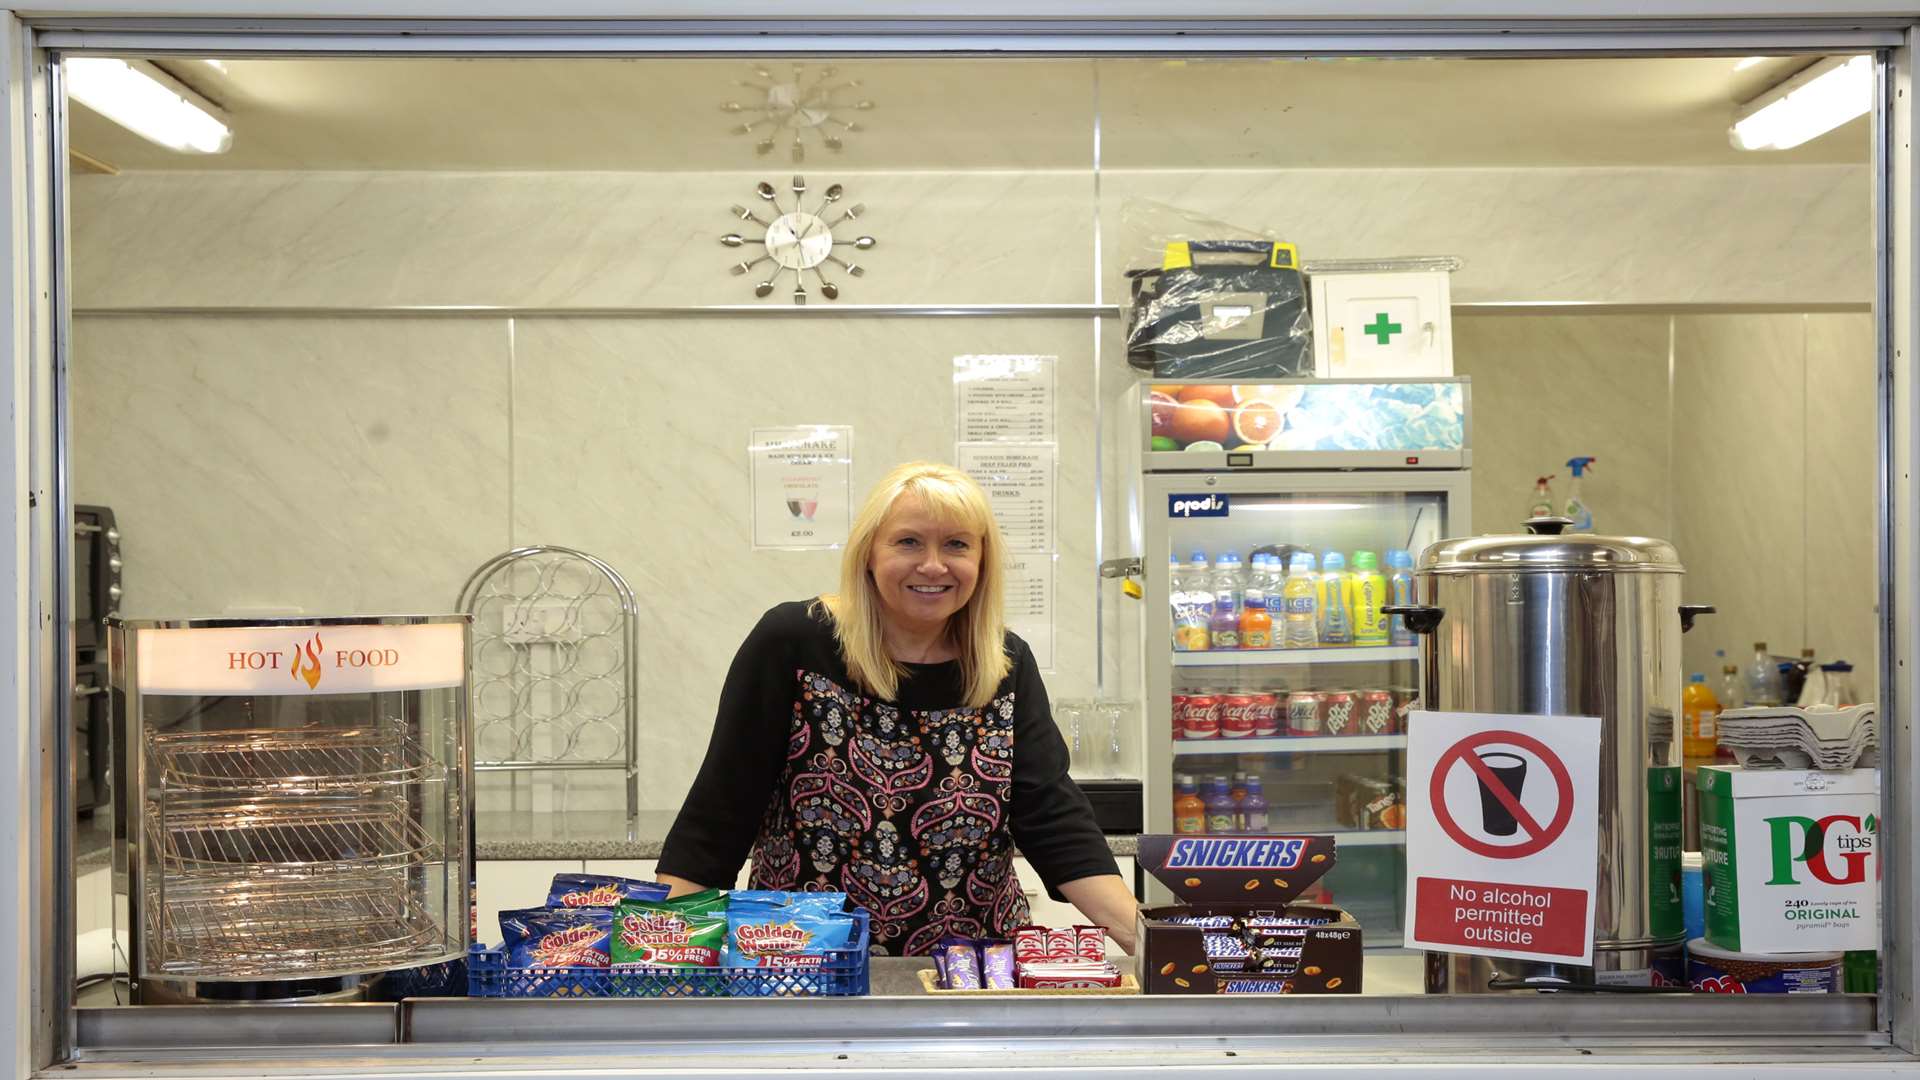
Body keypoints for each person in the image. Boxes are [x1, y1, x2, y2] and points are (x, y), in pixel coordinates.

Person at [657, 461, 1138, 956]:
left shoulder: (1003, 663)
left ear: (982, 561)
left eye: (957, 544)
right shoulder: (795, 642)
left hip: (970, 971)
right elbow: (722, 809)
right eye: (908, 542)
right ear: (869, 553)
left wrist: (1148, 942)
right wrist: (657, 953)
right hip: (801, 963)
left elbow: (1053, 817)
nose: (933, 565)